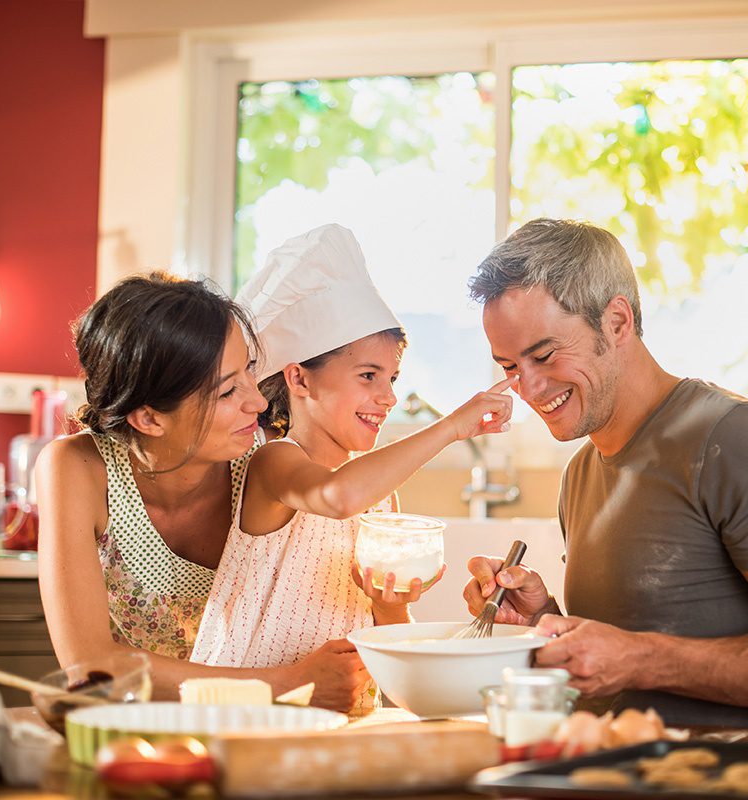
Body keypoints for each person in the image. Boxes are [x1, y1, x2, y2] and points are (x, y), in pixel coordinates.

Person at [462, 218, 748, 735]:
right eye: (509, 366)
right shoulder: (581, 474)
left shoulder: (737, 440)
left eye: (544, 354)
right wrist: (540, 620)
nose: (525, 387)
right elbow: (625, 655)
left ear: (617, 321)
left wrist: (642, 658)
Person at [191, 224, 516, 714]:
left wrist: (389, 604)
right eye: (368, 376)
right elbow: (337, 497)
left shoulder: (378, 496)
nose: (387, 397)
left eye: (392, 378)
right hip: (247, 713)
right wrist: (452, 426)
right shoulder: (275, 463)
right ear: (298, 377)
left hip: (340, 717)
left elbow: (394, 647)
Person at [37, 272, 370, 711]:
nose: (259, 403)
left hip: (257, 731)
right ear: (149, 418)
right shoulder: (77, 469)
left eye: (250, 370)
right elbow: (90, 666)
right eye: (228, 390)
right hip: (140, 737)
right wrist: (284, 684)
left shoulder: (269, 457)